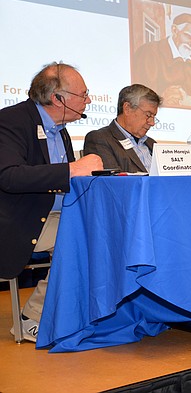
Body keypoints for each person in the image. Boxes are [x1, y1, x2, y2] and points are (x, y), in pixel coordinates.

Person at [0, 62, 103, 341]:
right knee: (84, 239)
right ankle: (31, 317)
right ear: (58, 98)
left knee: (102, 234)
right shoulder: (11, 120)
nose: (89, 100)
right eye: (83, 94)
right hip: (18, 218)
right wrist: (72, 169)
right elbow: (8, 176)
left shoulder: (61, 129)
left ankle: (72, 311)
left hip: (56, 215)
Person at [132, 13, 191, 109]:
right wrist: (163, 97)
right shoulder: (150, 52)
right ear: (175, 30)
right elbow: (140, 97)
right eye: (188, 36)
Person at [83, 84, 162, 172]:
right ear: (127, 108)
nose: (152, 123)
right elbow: (114, 183)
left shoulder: (152, 143)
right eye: (148, 115)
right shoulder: (100, 139)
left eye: (154, 117)